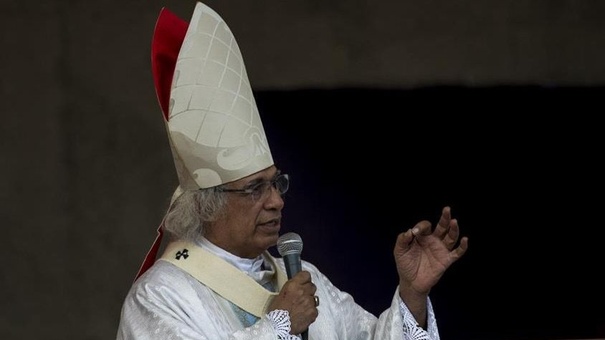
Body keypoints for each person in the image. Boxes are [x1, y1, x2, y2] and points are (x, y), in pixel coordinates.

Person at [116, 2, 469, 339]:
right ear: (209, 204)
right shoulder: (162, 295)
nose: (276, 202)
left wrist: (411, 294)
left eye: (276, 184)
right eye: (256, 188)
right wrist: (279, 325)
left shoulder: (301, 276)